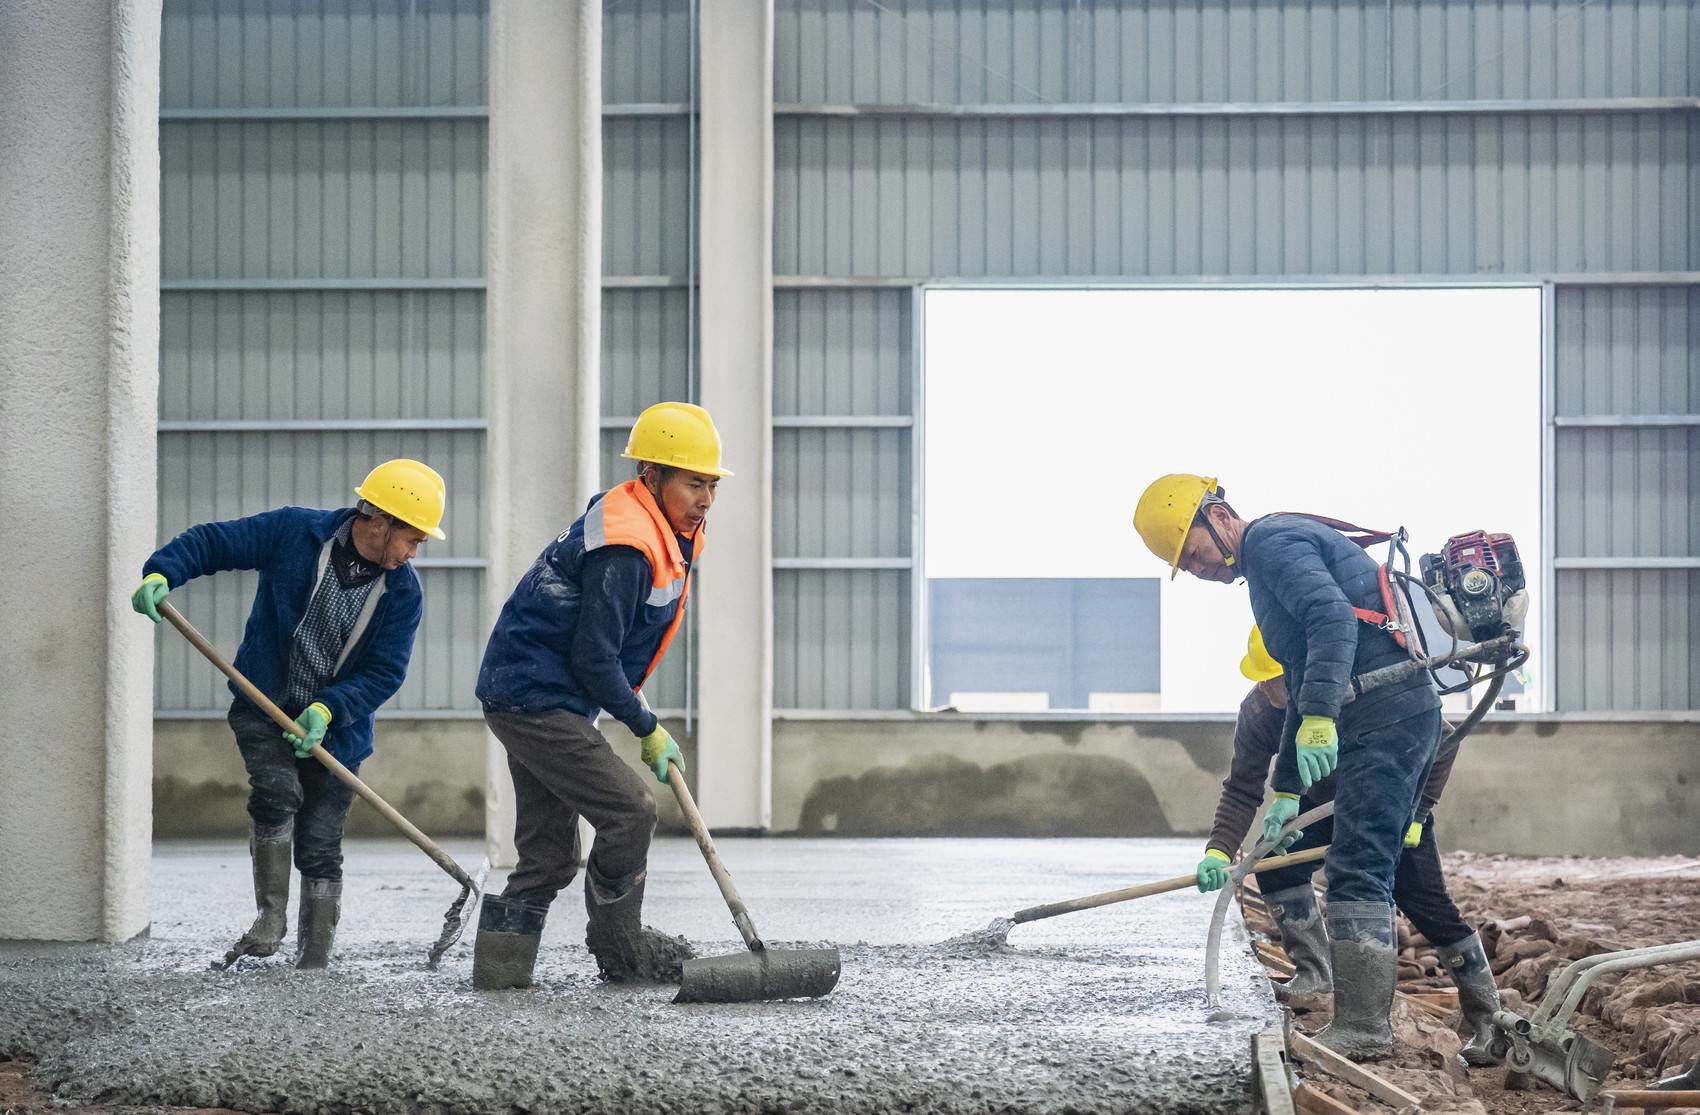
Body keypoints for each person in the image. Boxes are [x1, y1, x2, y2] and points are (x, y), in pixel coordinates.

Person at [1135, 473, 1440, 1060]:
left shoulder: (1271, 543)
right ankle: (1358, 1019)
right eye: (1188, 567)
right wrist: (1285, 791)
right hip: (1380, 714)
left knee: (1357, 869)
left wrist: (1322, 715)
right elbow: (1300, 675)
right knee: (1355, 864)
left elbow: (1332, 621)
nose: (1200, 570)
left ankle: (1364, 1029)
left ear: (1219, 516)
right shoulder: (1266, 565)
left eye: (1195, 554)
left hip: (1390, 712)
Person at [131, 459, 445, 969]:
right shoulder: (295, 533)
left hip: (336, 733)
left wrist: (329, 708)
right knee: (278, 792)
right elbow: (214, 542)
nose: (413, 551)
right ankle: (270, 920)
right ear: (380, 522)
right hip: (265, 704)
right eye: (413, 538)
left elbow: (386, 671)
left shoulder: (402, 593)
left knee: (321, 843)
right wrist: (162, 570)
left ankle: (314, 960)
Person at [470, 402, 730, 991]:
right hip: (534, 699)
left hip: (532, 692)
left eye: (712, 485)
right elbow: (594, 658)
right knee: (630, 811)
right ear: (652, 476)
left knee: (548, 857)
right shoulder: (628, 547)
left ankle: (498, 974)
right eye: (694, 483)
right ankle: (619, 947)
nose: (707, 498)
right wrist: (646, 725)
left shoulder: (657, 526)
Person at [1196, 627, 1502, 1064]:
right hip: (1319, 809)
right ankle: (1315, 973)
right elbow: (1242, 787)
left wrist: (1417, 813)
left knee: (1427, 905)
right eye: (1264, 679)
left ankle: (1488, 1016)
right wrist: (1219, 851)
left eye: (1279, 678)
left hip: (1389, 804)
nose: (1272, 689)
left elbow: (1442, 737)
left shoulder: (1356, 693)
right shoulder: (1261, 711)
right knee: (1273, 860)